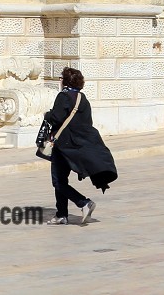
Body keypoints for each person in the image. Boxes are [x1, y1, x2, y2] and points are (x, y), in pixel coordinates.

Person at [42, 67, 118, 225]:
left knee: (58, 181)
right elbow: (86, 123)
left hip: (62, 145)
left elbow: (56, 118)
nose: (60, 81)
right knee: (61, 180)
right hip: (75, 147)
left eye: (61, 78)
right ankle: (61, 214)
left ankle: (83, 202)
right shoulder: (82, 98)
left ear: (65, 81)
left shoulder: (63, 96)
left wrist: (47, 115)